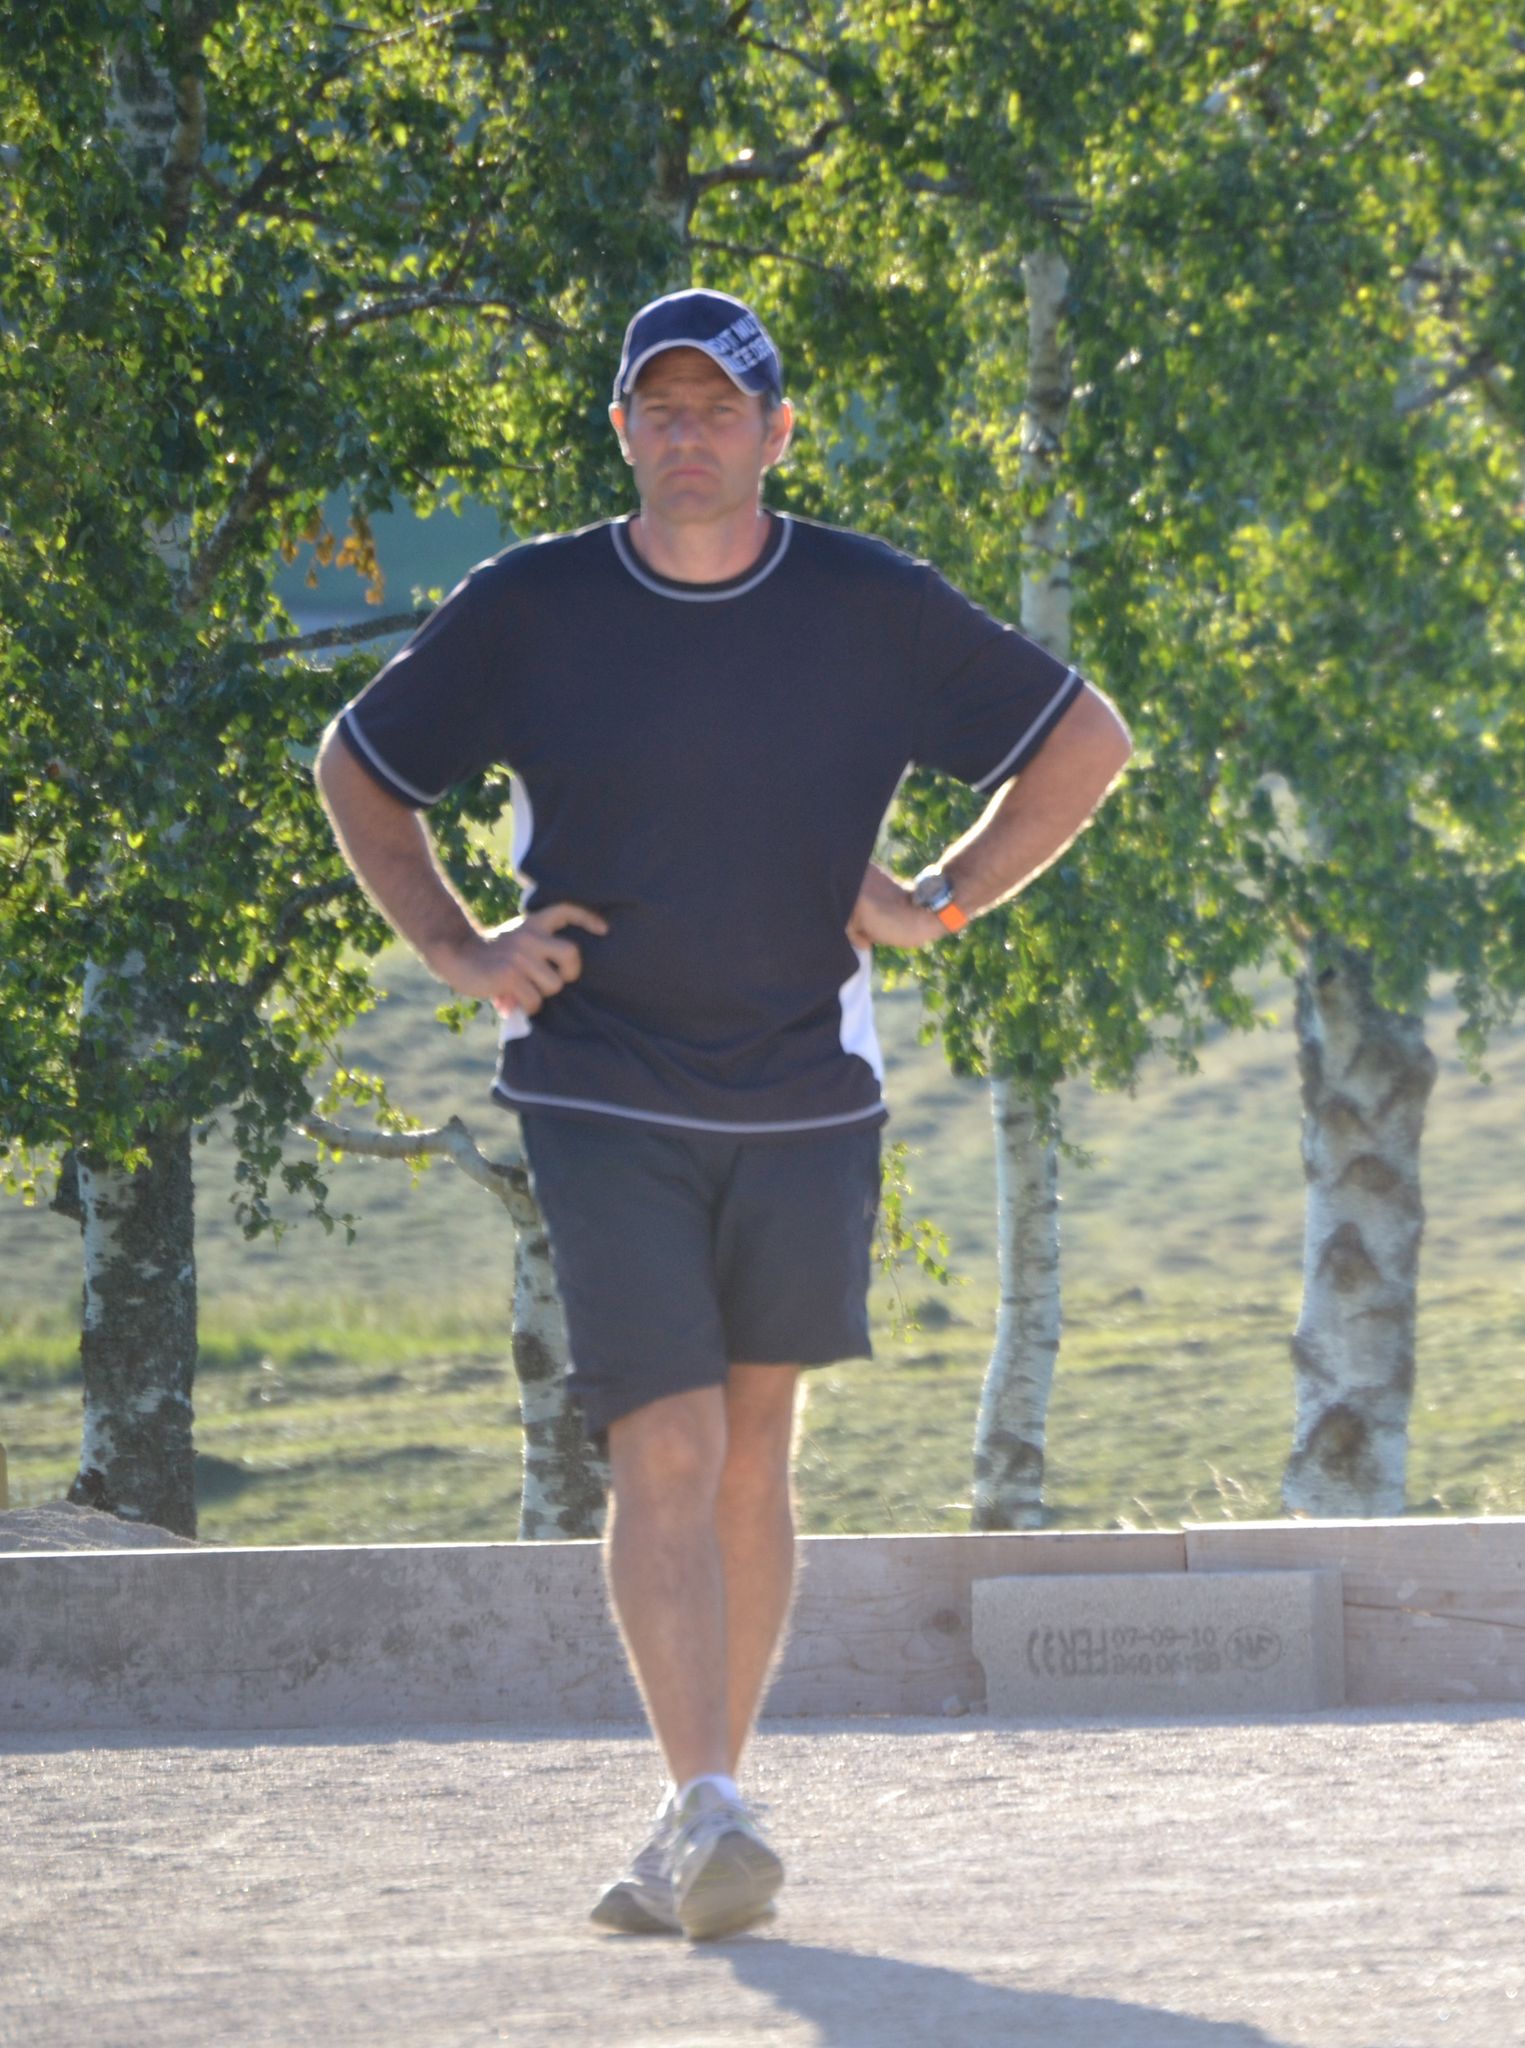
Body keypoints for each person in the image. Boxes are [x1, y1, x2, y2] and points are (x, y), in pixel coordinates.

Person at [315, 288, 1134, 1930]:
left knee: (755, 1452)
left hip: (807, 1089)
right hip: (599, 1077)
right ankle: (706, 1805)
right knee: (668, 1441)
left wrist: (943, 896)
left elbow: (1085, 744)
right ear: (622, 429)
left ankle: (706, 1810)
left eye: (720, 409)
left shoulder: (868, 603)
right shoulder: (532, 603)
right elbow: (359, 767)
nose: (689, 436)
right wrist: (463, 950)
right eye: (661, 409)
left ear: (775, 432)